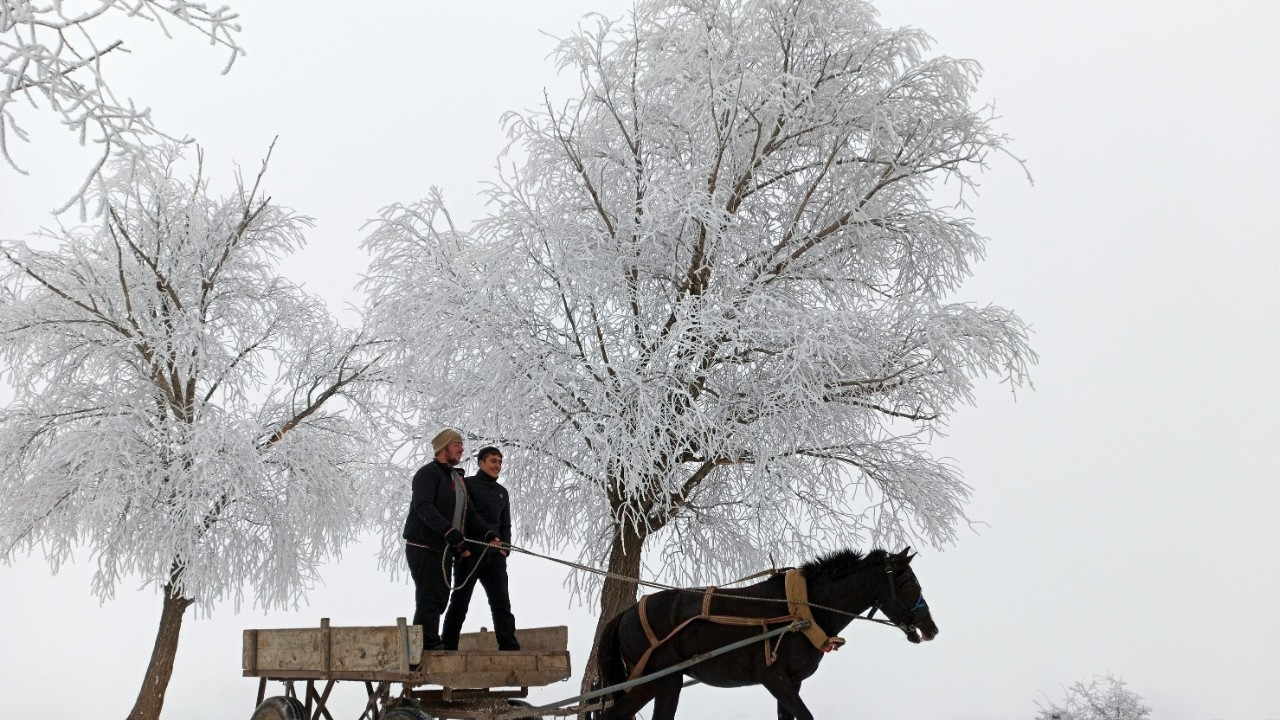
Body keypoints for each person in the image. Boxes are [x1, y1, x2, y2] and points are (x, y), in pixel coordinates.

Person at [403, 428, 500, 651]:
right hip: (423, 545)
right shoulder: (427, 474)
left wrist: (488, 534)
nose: (462, 449)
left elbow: (471, 512)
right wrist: (448, 531)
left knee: (440, 596)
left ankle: (429, 641)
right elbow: (424, 506)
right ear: (444, 447)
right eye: (457, 444)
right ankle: (426, 645)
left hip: (444, 548)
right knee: (429, 595)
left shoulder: (456, 478)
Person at [440, 446, 520, 651]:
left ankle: (509, 647)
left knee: (501, 603)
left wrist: (505, 548)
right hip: (470, 552)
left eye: (500, 462)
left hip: (495, 556)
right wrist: (463, 549)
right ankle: (448, 646)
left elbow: (505, 525)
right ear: (481, 463)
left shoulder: (503, 493)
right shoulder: (467, 485)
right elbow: (466, 516)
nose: (497, 466)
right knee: (460, 601)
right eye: (493, 461)